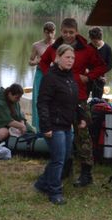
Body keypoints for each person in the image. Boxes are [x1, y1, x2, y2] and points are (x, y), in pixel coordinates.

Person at [39, 18, 107, 187]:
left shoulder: (87, 49)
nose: (68, 35)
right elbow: (43, 62)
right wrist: (51, 77)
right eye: (65, 32)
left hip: (79, 98)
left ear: (76, 32)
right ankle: (64, 168)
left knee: (82, 135)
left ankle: (86, 173)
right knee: (61, 133)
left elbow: (102, 66)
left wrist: (88, 77)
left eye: (71, 32)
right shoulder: (55, 48)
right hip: (58, 99)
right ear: (61, 31)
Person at [34, 44, 87, 205]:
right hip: (53, 125)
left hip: (66, 125)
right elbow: (42, 103)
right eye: (67, 57)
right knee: (58, 159)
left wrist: (81, 117)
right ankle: (55, 191)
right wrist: (46, 127)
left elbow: (74, 101)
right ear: (58, 58)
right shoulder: (50, 77)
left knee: (63, 157)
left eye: (72, 58)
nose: (70, 60)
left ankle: (42, 183)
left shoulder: (70, 77)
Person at [29, 21, 56, 131]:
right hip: (40, 75)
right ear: (44, 32)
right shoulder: (36, 45)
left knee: (54, 100)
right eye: (47, 32)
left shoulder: (58, 45)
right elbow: (30, 61)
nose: (49, 35)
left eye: (52, 32)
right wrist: (36, 62)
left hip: (54, 75)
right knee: (38, 100)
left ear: (55, 32)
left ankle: (54, 127)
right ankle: (39, 128)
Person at [87, 26, 112, 99]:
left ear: (100, 38)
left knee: (97, 99)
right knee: (84, 96)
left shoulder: (107, 48)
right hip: (88, 76)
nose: (94, 44)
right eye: (92, 41)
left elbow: (110, 65)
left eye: (96, 42)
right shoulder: (88, 47)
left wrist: (99, 73)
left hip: (100, 78)